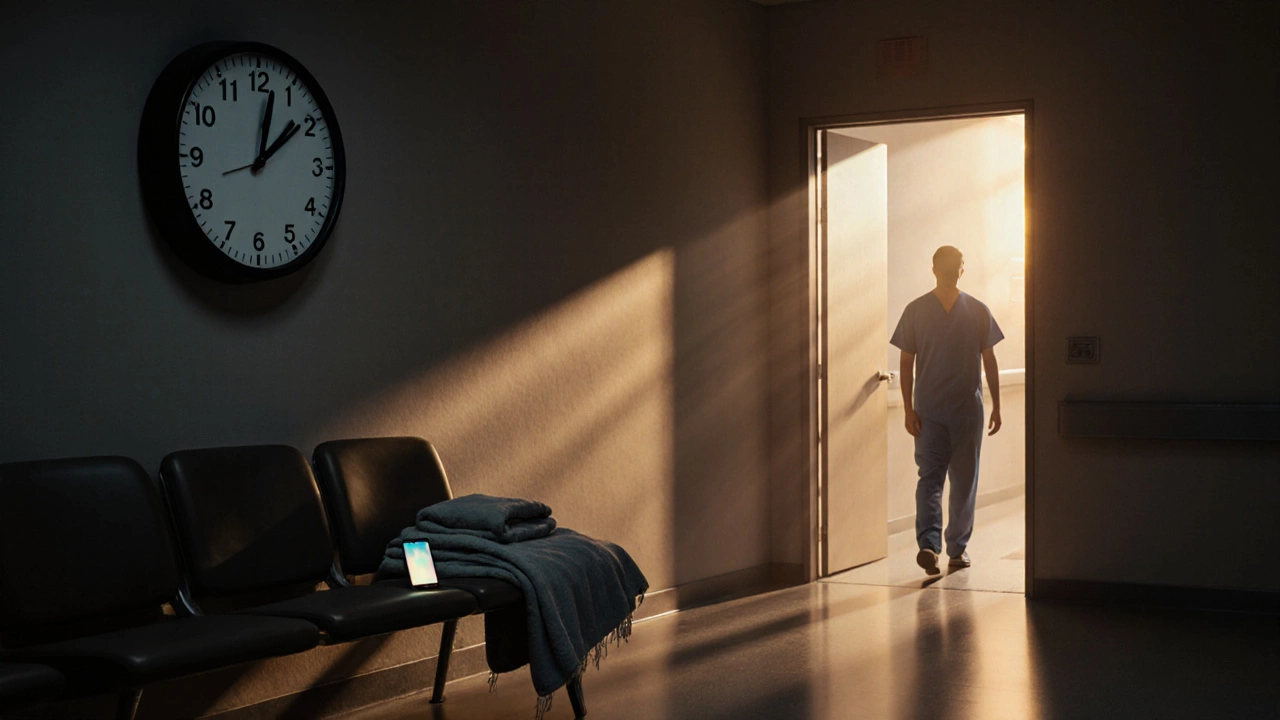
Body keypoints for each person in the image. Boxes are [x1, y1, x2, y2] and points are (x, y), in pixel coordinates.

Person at [889, 246, 1003, 576]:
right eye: (952, 265)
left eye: (957, 265)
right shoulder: (918, 310)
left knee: (948, 480)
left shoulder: (975, 310)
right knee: (942, 480)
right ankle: (938, 546)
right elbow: (906, 362)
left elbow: (989, 360)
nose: (955, 270)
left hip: (957, 410)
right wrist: (908, 408)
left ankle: (946, 547)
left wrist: (996, 403)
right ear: (937, 269)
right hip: (936, 411)